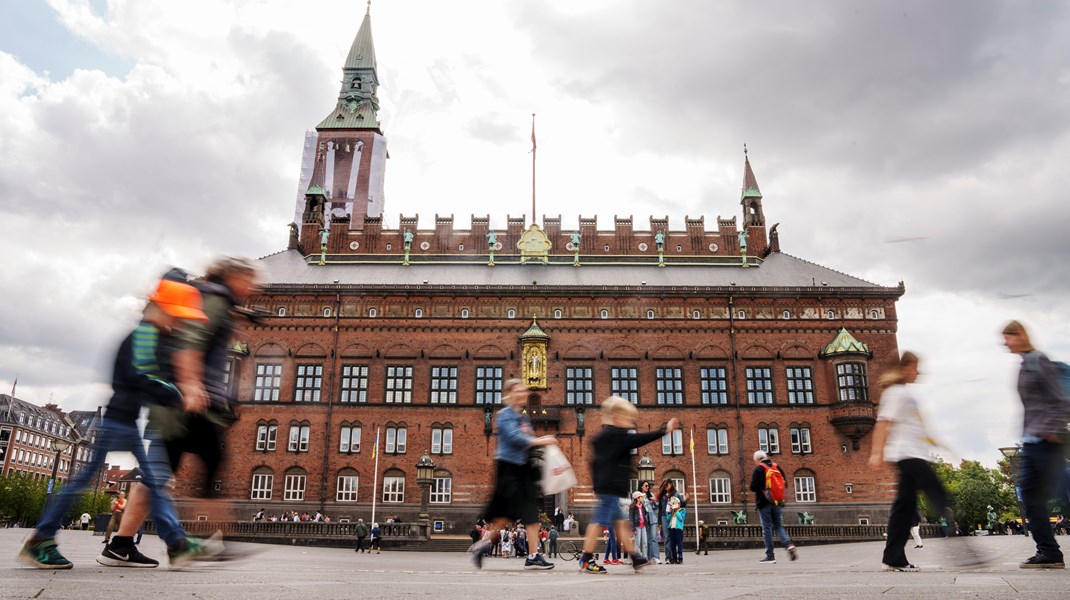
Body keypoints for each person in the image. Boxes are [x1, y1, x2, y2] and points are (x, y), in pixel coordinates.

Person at [19, 279, 217, 569]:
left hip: (124, 420)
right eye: (177, 314)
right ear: (163, 309)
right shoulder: (145, 335)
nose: (179, 320)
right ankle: (41, 539)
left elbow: (142, 377)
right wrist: (176, 394)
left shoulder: (149, 335)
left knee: (150, 483)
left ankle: (175, 542)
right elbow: (139, 376)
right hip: (118, 421)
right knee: (84, 483)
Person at [116, 258, 261, 557]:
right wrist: (191, 384)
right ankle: (205, 541)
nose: (253, 288)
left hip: (175, 400)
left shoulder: (213, 297)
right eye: (249, 281)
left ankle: (122, 543)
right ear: (233, 277)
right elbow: (191, 342)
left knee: (156, 476)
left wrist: (237, 314)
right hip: (188, 402)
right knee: (210, 463)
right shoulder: (216, 299)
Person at [869, 351, 951, 572]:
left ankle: (894, 557)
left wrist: (934, 439)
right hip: (908, 454)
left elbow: (912, 425)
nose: (918, 372)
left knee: (904, 508)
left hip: (913, 453)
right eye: (915, 367)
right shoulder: (896, 393)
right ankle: (963, 547)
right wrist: (876, 452)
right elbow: (883, 423)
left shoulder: (903, 393)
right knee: (938, 495)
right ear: (905, 368)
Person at [577, 396, 678, 574]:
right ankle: (586, 559)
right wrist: (664, 430)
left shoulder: (604, 437)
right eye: (628, 418)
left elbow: (594, 463)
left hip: (608, 486)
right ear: (617, 416)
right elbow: (639, 439)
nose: (631, 422)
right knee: (599, 522)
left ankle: (635, 557)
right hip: (610, 487)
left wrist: (596, 483)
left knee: (621, 524)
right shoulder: (617, 436)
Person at [469, 379, 558, 570]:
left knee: (530, 511)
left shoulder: (523, 417)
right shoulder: (504, 415)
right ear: (509, 394)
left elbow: (526, 442)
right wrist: (540, 440)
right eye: (516, 391)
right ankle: (482, 546)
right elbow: (513, 437)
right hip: (509, 468)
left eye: (522, 391)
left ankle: (533, 555)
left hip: (523, 468)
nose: (520, 394)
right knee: (504, 516)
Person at [1003, 321, 1069, 568]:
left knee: (1053, 488)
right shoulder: (1025, 364)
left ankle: (1049, 551)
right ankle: (1048, 551)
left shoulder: (1038, 360)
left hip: (1045, 438)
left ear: (1019, 335)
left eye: (1008, 337)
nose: (1005, 343)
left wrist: (1051, 430)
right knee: (1033, 495)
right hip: (1032, 439)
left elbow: (1059, 398)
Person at [750, 450, 797, 564]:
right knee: (778, 525)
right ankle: (788, 544)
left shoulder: (759, 468)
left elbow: (753, 487)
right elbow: (784, 484)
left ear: (757, 459)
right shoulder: (777, 467)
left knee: (766, 528)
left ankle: (770, 556)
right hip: (778, 502)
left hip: (764, 502)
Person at [656, 479, 687, 558]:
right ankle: (668, 557)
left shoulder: (676, 494)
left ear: (671, 485)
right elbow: (660, 509)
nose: (666, 486)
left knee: (674, 537)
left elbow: (682, 504)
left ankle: (674, 556)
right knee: (666, 537)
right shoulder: (662, 495)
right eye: (665, 485)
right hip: (664, 516)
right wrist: (659, 522)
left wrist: (686, 499)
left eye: (668, 484)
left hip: (673, 515)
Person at [638, 481, 660, 563]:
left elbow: (656, 507)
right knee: (646, 539)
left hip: (653, 519)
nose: (647, 487)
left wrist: (654, 501)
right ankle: (647, 556)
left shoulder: (651, 495)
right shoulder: (639, 496)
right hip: (644, 520)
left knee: (654, 538)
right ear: (641, 486)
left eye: (648, 486)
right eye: (646, 486)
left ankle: (655, 556)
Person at [666, 496, 686, 564]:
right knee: (672, 544)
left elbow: (681, 518)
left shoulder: (682, 510)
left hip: (678, 529)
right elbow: (668, 519)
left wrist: (676, 511)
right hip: (672, 528)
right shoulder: (672, 511)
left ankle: (680, 558)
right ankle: (674, 558)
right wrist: (669, 512)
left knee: (679, 543)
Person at [630, 492, 649, 562]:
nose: (642, 498)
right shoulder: (632, 507)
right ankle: (639, 558)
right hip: (637, 526)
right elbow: (631, 518)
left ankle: (645, 557)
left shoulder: (643, 506)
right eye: (641, 497)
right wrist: (633, 528)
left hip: (643, 526)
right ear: (637, 498)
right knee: (637, 543)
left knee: (645, 542)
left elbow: (646, 514)